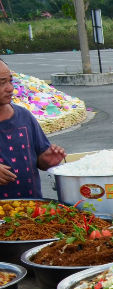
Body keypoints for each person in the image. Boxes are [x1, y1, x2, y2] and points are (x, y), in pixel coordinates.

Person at [0, 60, 65, 199]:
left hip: (31, 211)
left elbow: (40, 161)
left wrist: (48, 160)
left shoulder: (24, 116)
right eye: (2, 83)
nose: (10, 88)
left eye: (10, 81)